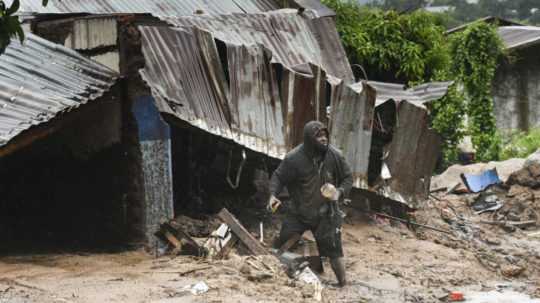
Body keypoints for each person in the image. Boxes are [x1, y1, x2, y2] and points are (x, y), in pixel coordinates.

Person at [268, 120, 353, 287]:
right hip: (299, 212)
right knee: (284, 242)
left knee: (334, 251)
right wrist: (272, 195)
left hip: (326, 214)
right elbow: (278, 177)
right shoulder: (294, 158)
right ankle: (282, 277)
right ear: (309, 140)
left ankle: (343, 284)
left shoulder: (335, 155)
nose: (323, 139)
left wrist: (340, 192)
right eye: (318, 136)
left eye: (325, 135)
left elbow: (348, 178)